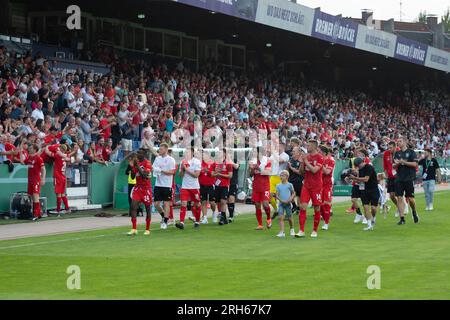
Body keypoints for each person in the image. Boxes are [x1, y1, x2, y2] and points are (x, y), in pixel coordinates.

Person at [296, 140, 323, 238]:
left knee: (317, 208)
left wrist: (306, 161)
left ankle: (315, 230)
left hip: (316, 186)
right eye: (307, 145)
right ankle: (301, 230)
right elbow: (301, 172)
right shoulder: (306, 157)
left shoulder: (320, 157)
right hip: (306, 185)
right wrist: (302, 163)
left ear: (315, 147)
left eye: (309, 145)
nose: (307, 147)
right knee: (302, 207)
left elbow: (315, 170)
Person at [393, 137, 419, 225]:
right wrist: (396, 164)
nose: (398, 143)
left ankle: (414, 211)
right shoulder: (397, 153)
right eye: (397, 142)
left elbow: (415, 164)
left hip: (409, 178)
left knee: (411, 199)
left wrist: (403, 162)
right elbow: (393, 165)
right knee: (399, 197)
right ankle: (402, 218)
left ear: (405, 142)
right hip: (399, 178)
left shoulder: (411, 152)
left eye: (400, 141)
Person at [348, 158, 379, 231]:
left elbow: (366, 179)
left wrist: (355, 178)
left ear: (362, 163)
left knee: (374, 208)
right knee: (365, 207)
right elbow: (360, 181)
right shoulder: (360, 169)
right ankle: (369, 225)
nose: (358, 167)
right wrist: (352, 179)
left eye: (358, 165)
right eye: (357, 166)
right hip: (364, 190)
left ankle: (373, 218)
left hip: (373, 189)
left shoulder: (369, 167)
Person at [127, 150, 153, 236]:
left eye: (140, 153)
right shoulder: (136, 163)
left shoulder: (147, 163)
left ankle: (147, 229)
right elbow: (132, 176)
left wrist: (137, 166)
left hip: (146, 189)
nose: (137, 155)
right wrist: (132, 167)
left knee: (147, 208)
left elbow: (144, 176)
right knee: (133, 206)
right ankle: (134, 228)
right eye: (137, 153)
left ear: (144, 154)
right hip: (138, 187)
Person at [176, 147, 202, 229]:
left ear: (192, 153)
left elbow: (196, 175)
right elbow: (180, 176)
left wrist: (186, 169)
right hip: (185, 186)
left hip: (194, 187)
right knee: (183, 203)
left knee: (197, 204)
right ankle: (181, 222)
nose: (186, 154)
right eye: (186, 152)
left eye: (188, 152)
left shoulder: (197, 162)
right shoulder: (183, 162)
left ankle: (197, 221)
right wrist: (182, 170)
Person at [152, 143, 176, 229]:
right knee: (156, 204)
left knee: (166, 204)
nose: (160, 151)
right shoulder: (157, 158)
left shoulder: (171, 160)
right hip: (158, 184)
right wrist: (156, 170)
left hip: (167, 185)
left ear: (166, 149)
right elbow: (153, 168)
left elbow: (172, 172)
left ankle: (165, 222)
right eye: (159, 149)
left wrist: (161, 170)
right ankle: (164, 216)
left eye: (161, 149)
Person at [249, 147, 272, 230]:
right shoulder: (253, 162)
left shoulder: (267, 161)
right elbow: (251, 174)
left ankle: (269, 219)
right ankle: (260, 224)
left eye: (256, 152)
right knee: (257, 205)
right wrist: (252, 169)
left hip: (265, 186)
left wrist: (258, 168)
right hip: (256, 186)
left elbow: (268, 172)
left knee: (265, 204)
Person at [22, 144, 46, 221]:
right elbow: (22, 162)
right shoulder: (29, 157)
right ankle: (38, 213)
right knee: (32, 197)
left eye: (31, 148)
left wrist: (43, 179)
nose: (29, 149)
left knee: (35, 196)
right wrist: (20, 153)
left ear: (35, 149)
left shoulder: (38, 158)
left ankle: (35, 214)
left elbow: (43, 169)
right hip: (30, 180)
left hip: (36, 180)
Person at [211, 149, 233, 225]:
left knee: (223, 201)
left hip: (225, 185)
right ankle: (224, 218)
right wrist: (217, 173)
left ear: (224, 154)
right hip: (217, 185)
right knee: (218, 202)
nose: (218, 154)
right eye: (218, 152)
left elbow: (230, 176)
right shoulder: (215, 163)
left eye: (220, 152)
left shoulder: (228, 164)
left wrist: (220, 175)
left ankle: (222, 219)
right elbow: (212, 174)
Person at [269, 143, 289, 218]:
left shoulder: (285, 155)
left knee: (282, 197)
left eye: (279, 146)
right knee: (270, 195)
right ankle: (276, 210)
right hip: (273, 176)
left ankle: (286, 212)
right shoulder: (275, 154)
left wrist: (274, 154)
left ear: (283, 147)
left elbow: (280, 161)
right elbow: (269, 162)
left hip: (281, 177)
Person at [275, 170, 296, 238]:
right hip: (281, 204)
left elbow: (293, 193)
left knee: (289, 217)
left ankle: (292, 229)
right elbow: (277, 195)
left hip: (288, 203)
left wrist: (290, 199)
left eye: (283, 175)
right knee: (280, 217)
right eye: (280, 175)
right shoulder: (278, 185)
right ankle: (282, 232)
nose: (281, 177)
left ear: (287, 177)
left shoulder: (290, 185)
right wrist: (281, 200)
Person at [319, 145, 335, 231]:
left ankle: (326, 223)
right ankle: (323, 218)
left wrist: (320, 164)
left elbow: (327, 171)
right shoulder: (318, 159)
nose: (318, 153)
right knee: (319, 204)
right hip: (318, 184)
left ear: (324, 153)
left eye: (319, 151)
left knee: (326, 203)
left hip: (327, 184)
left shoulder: (330, 160)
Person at [199, 151, 217, 224]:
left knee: (212, 202)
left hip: (211, 185)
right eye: (203, 155)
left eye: (205, 155)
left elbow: (214, 174)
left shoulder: (213, 163)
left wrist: (207, 171)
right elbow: (197, 173)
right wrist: (200, 171)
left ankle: (214, 213)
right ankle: (205, 217)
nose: (203, 157)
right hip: (202, 185)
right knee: (203, 201)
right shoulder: (200, 163)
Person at [53, 144, 70, 215]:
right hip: (63, 176)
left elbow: (49, 153)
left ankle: (58, 210)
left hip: (58, 176)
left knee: (58, 193)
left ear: (61, 149)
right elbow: (68, 158)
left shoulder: (58, 156)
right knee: (63, 194)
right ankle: (67, 208)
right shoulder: (65, 156)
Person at [383, 141, 400, 216]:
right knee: (391, 195)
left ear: (395, 146)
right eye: (388, 147)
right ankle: (399, 207)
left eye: (391, 147)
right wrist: (386, 175)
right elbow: (385, 166)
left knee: (399, 194)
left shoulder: (399, 153)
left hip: (398, 176)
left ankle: (401, 208)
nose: (389, 149)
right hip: (390, 177)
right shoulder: (386, 153)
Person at [286, 146, 303, 218]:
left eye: (294, 151)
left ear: (299, 153)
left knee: (299, 197)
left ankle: (299, 209)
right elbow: (287, 170)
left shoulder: (301, 161)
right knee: (288, 196)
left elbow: (300, 172)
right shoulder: (291, 160)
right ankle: (294, 206)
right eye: (293, 151)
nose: (293, 152)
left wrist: (291, 168)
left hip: (299, 181)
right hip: (291, 181)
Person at [227, 151, 240, 223]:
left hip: (233, 182)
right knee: (227, 200)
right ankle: (231, 212)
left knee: (231, 198)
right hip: (225, 182)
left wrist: (229, 161)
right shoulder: (224, 161)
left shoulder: (236, 160)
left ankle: (231, 216)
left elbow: (236, 166)